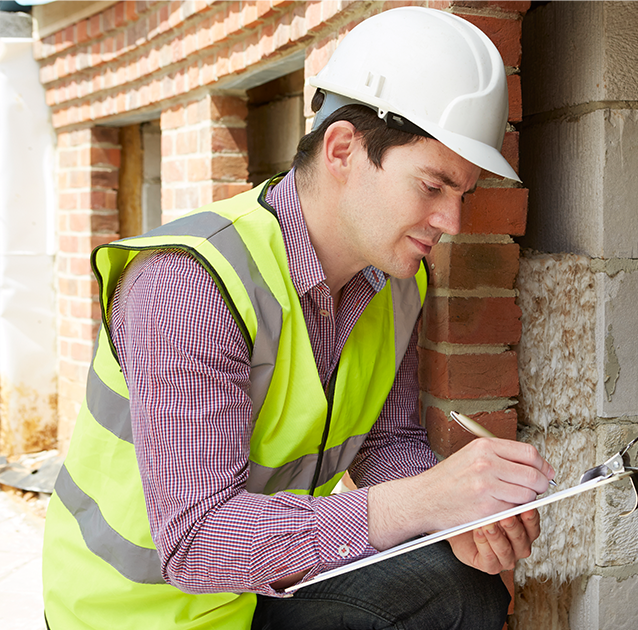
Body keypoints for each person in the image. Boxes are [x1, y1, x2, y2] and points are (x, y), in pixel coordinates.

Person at [42, 7, 555, 629]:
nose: (452, 223)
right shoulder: (189, 285)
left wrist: (456, 517)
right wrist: (419, 503)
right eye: (432, 186)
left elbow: (386, 444)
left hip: (257, 593)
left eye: (463, 195)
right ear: (343, 149)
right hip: (133, 614)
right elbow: (195, 541)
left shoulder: (396, 284)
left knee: (463, 588)